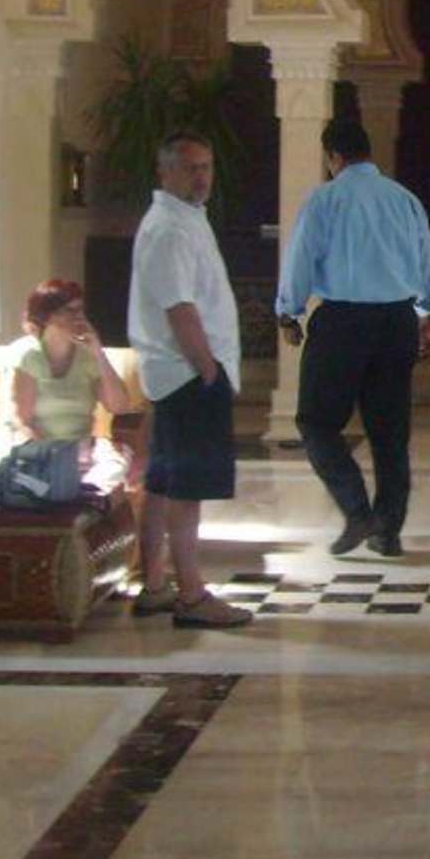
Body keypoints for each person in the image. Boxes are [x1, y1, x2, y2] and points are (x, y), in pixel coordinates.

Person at [276, 119, 430, 560]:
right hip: (396, 322)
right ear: (368, 152)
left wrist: (289, 311)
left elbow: (301, 259)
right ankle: (388, 532)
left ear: (333, 156)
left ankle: (357, 510)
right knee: (390, 434)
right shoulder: (404, 200)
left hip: (342, 322)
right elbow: (427, 264)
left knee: (316, 423)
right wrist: (427, 314)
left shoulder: (325, 200)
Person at [128, 131, 252, 629]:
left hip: (182, 373)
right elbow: (180, 307)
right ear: (165, 172)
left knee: (162, 482)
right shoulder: (169, 229)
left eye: (206, 167)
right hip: (187, 374)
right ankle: (192, 596)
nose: (201, 177)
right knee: (186, 488)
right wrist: (207, 367)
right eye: (189, 168)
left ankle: (156, 584)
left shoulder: (185, 219)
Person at [9, 277, 132, 501]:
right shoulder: (30, 357)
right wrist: (57, 456)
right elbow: (22, 422)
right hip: (40, 449)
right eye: (69, 311)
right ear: (48, 316)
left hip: (82, 449)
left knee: (116, 464)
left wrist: (98, 352)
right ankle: (64, 494)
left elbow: (120, 406)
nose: (78, 317)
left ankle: (81, 497)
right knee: (26, 478)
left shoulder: (87, 358)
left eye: (80, 310)